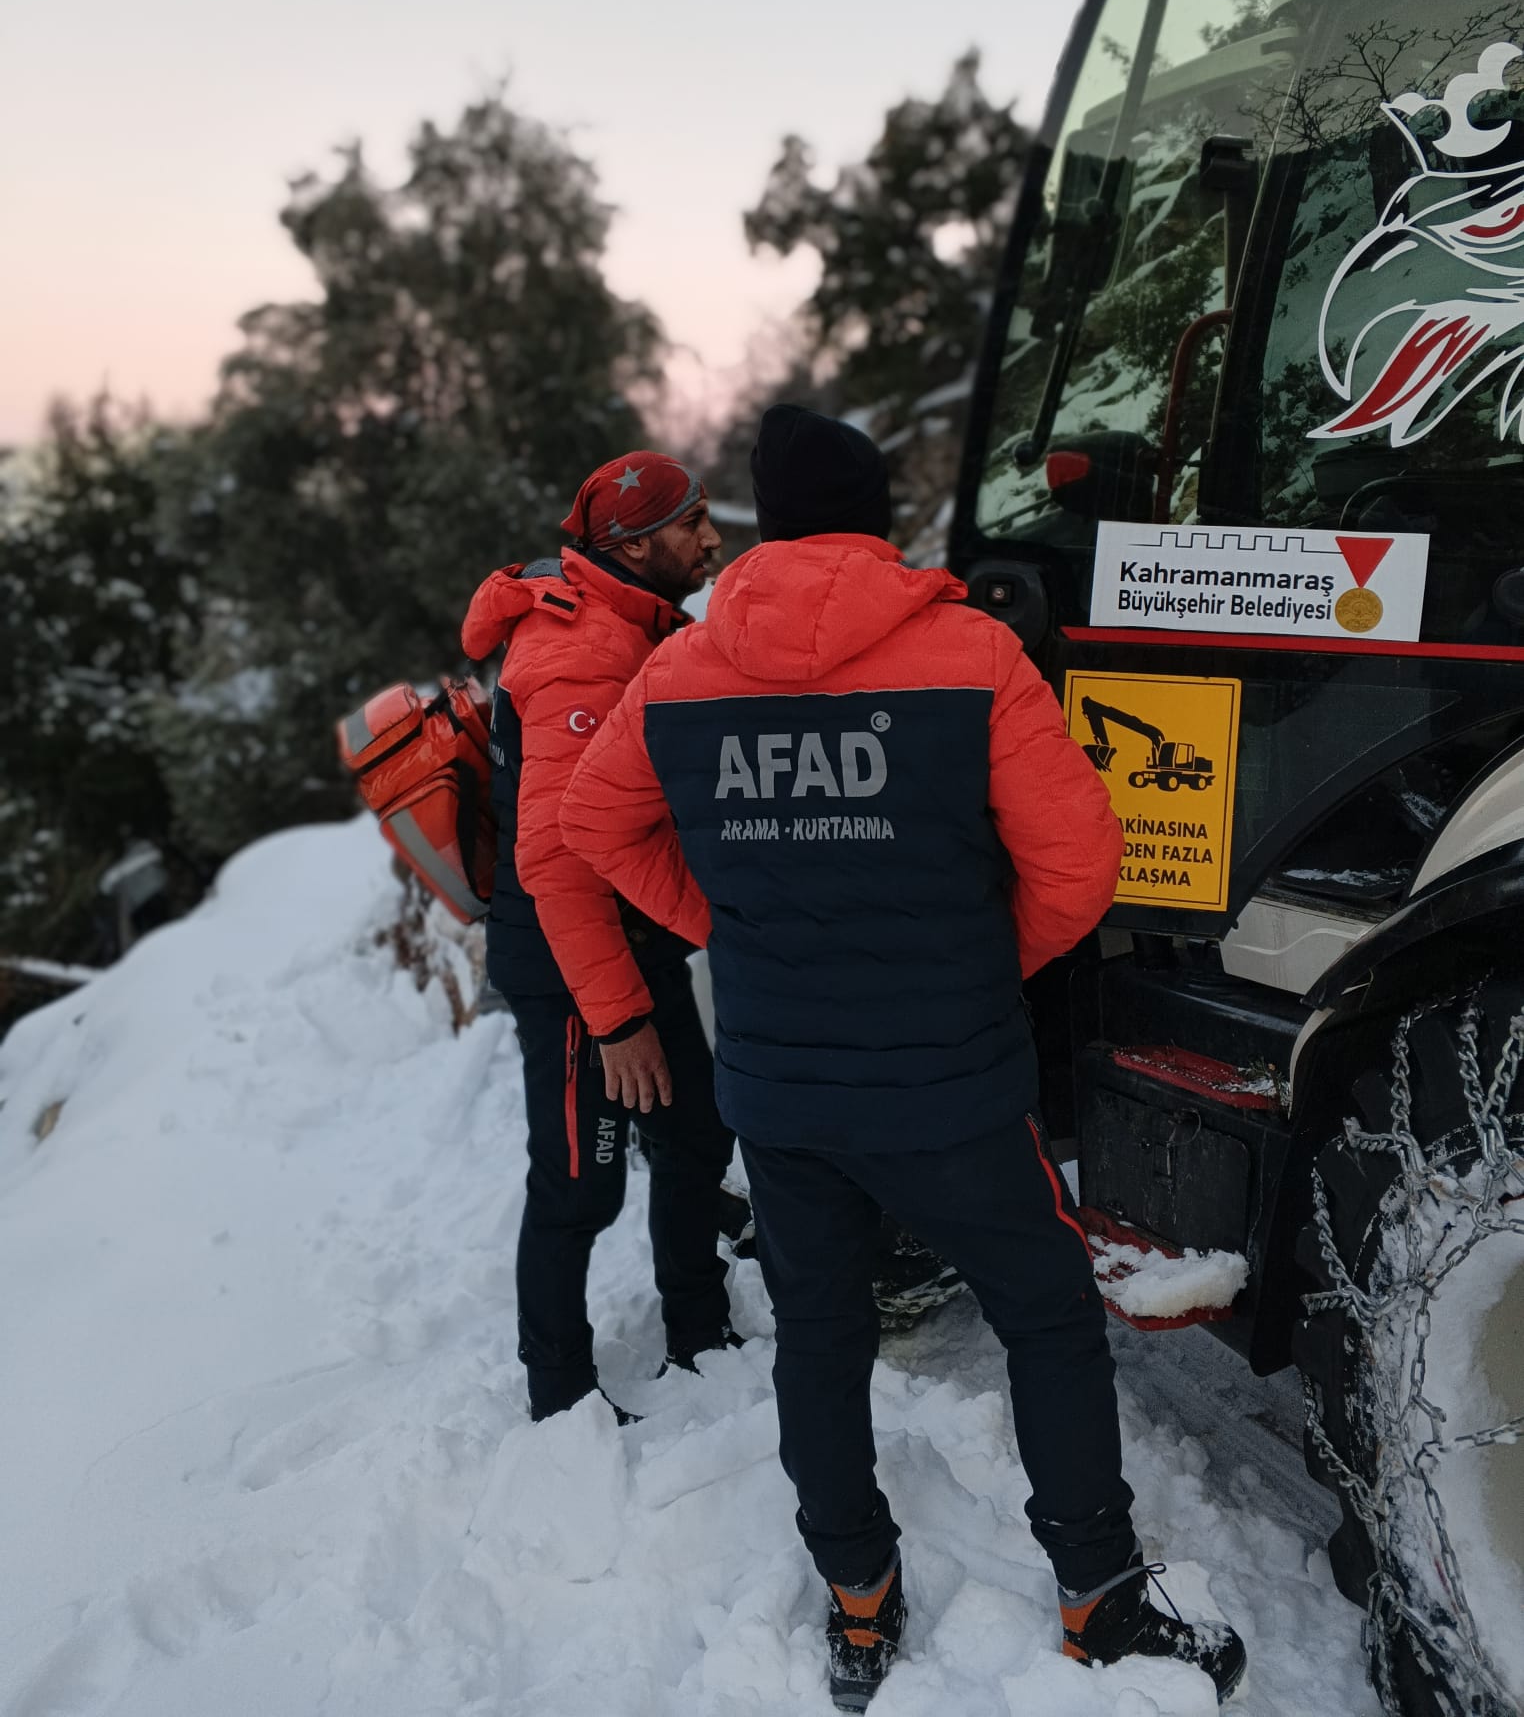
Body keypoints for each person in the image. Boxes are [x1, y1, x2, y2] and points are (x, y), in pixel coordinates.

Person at [559, 407, 1247, 1709]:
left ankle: (859, 1605)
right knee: (1046, 1316)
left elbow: (595, 824)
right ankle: (1098, 1597)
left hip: (785, 1094)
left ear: (767, 521)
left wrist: (737, 931)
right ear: (878, 518)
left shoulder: (683, 670)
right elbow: (1081, 860)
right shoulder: (972, 651)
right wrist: (983, 959)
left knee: (818, 1337)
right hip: (953, 1081)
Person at [460, 450, 739, 1423]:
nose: (712, 539)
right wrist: (617, 1022)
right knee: (580, 1182)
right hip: (570, 961)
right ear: (632, 542)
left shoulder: (632, 624)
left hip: (634, 940)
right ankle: (560, 1393)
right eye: (690, 523)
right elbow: (557, 860)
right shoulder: (579, 651)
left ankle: (701, 1331)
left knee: (695, 1135)